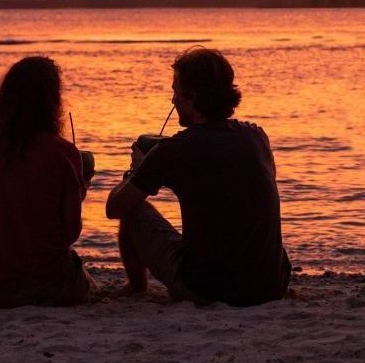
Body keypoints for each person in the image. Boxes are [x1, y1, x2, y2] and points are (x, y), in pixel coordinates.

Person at [106, 47, 290, 306]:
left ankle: (137, 287)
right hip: (272, 286)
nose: (172, 101)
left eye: (176, 93)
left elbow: (115, 208)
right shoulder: (257, 137)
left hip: (209, 289)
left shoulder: (175, 150)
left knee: (135, 208)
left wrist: (138, 171)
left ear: (192, 97)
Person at [0, 56, 95, 308]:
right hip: (47, 288)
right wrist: (77, 194)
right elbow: (70, 234)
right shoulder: (63, 153)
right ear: (52, 102)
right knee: (83, 278)